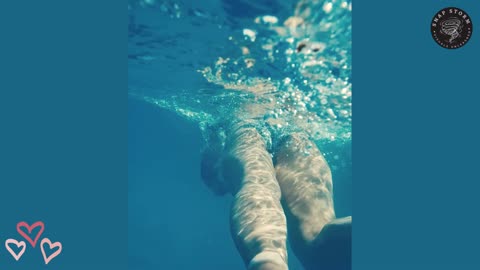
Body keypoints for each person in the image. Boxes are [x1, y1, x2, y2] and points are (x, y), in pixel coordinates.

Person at [201, 118, 351, 270]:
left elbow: (211, 171)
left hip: (244, 124)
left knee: (256, 179)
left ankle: (268, 259)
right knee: (315, 239)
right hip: (292, 125)